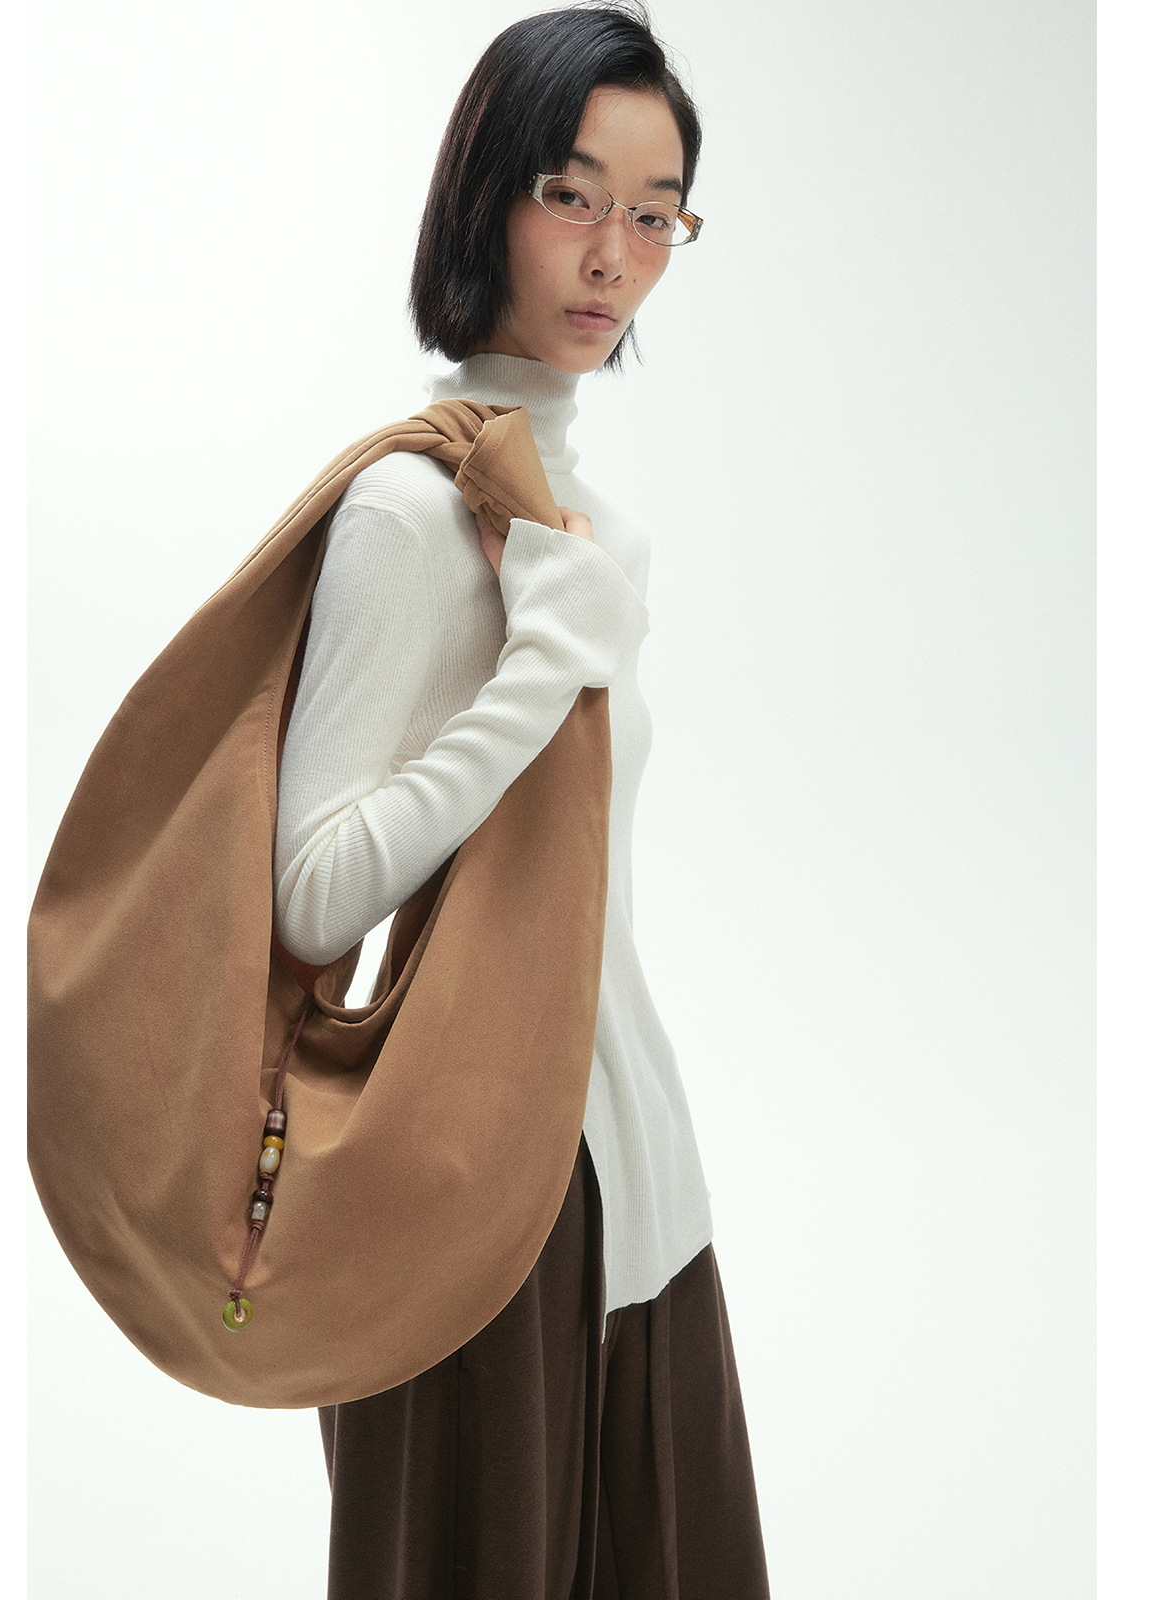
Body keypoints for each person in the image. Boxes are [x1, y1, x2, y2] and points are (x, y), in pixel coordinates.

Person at [273, 6, 770, 1596]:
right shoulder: (409, 514)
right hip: (471, 1202)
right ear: (488, 194)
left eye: (656, 213)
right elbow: (312, 892)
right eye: (572, 195)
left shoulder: (590, 529)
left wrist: (564, 611)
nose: (613, 254)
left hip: (641, 1188)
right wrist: (539, 666)